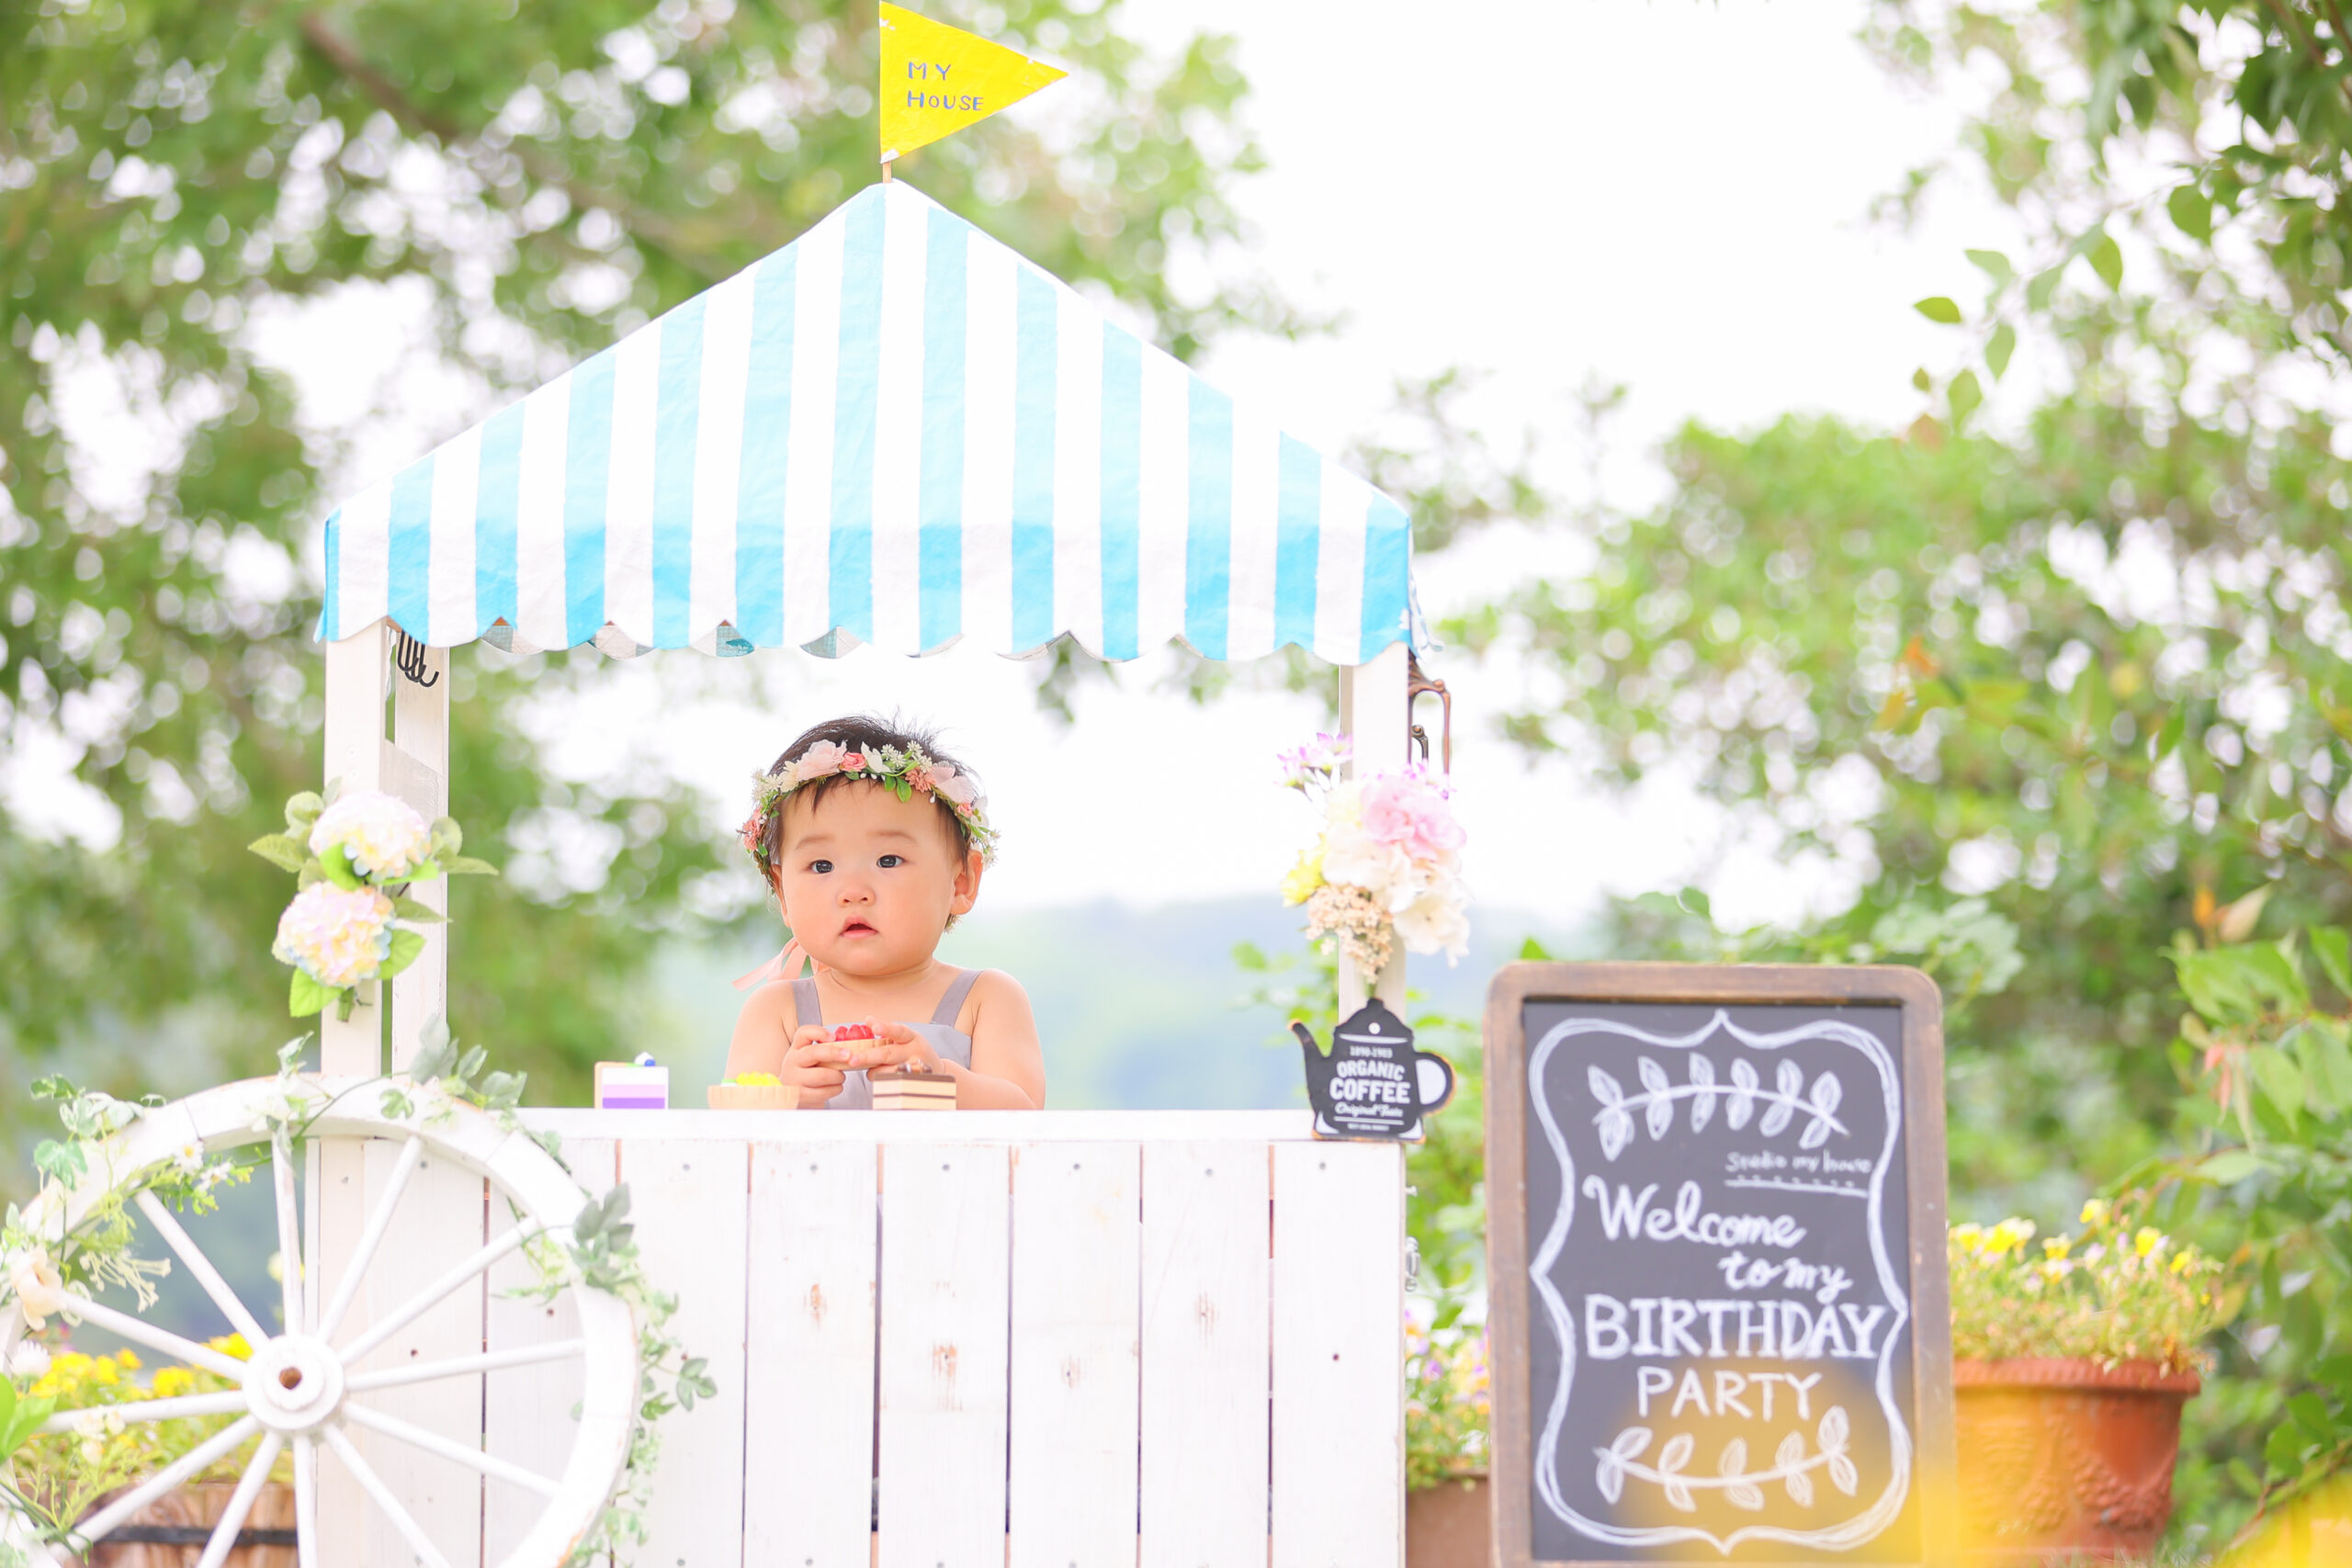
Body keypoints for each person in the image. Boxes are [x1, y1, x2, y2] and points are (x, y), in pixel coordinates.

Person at [722, 716, 1046, 1109]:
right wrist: (786, 1095)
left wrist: (941, 1081)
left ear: (961, 881)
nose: (853, 892)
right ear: (783, 894)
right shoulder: (776, 1010)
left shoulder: (985, 999)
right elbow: (733, 1125)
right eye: (822, 866)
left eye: (888, 860)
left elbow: (1024, 1116)